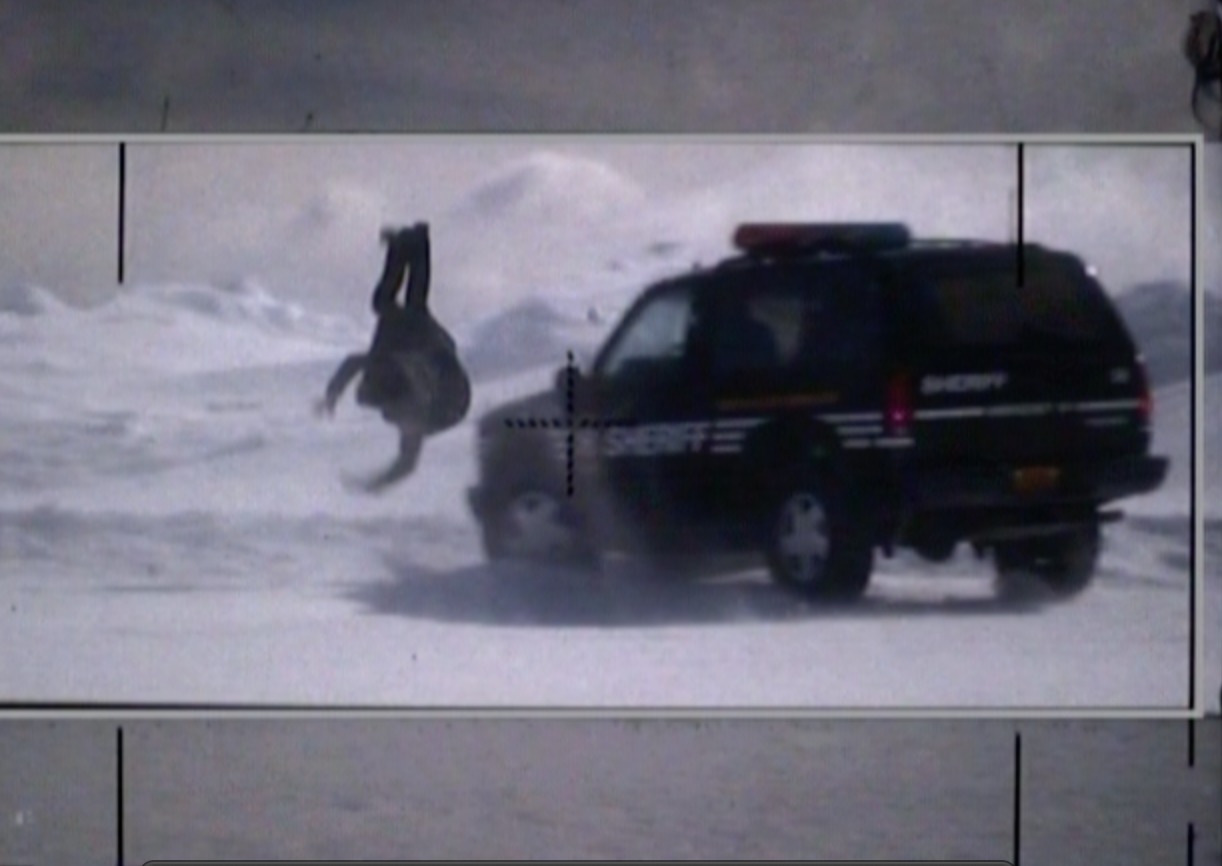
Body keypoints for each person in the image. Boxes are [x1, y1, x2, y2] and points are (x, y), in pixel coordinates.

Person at [316, 223, 472, 492]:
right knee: (405, 306)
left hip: (434, 371)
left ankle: (408, 244)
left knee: (394, 305)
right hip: (444, 379)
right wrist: (374, 485)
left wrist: (332, 394)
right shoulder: (411, 403)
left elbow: (355, 362)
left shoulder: (402, 391)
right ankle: (413, 243)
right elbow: (407, 463)